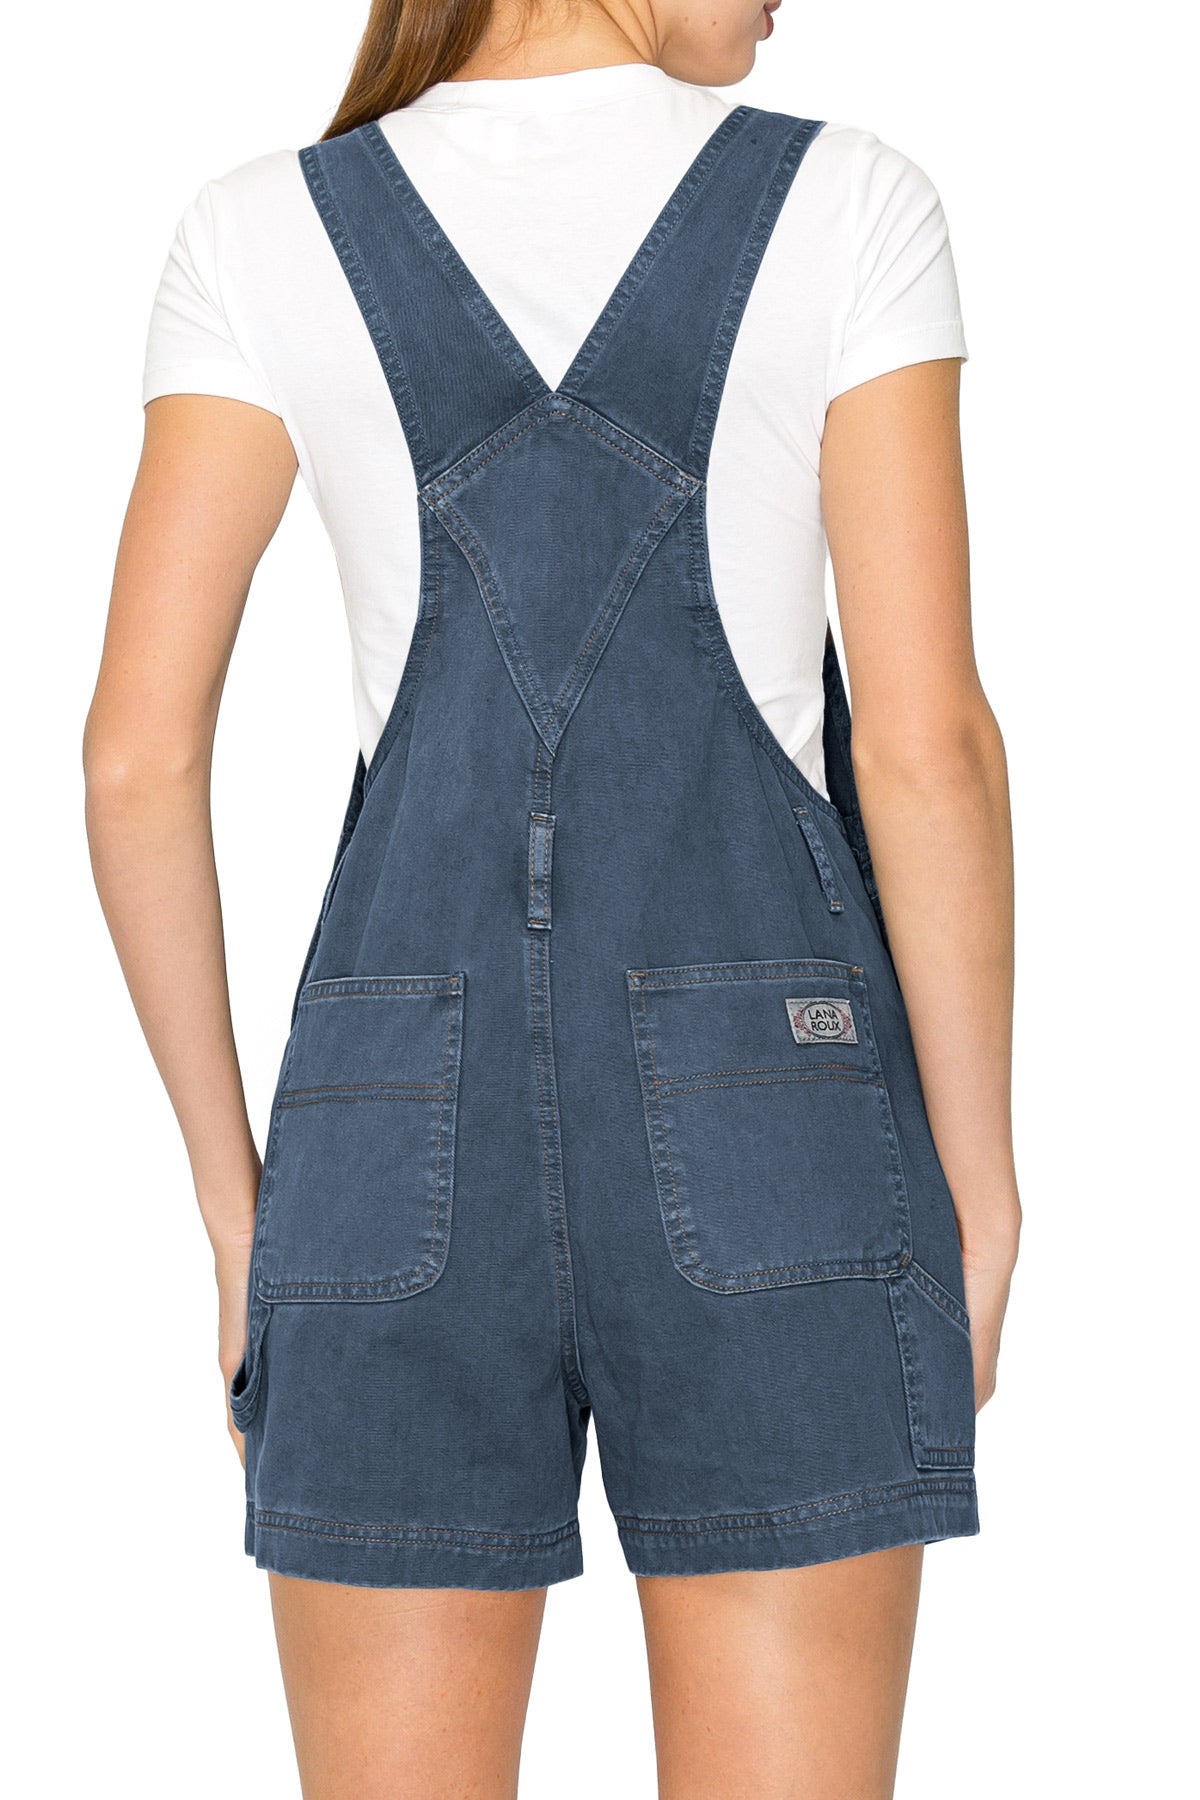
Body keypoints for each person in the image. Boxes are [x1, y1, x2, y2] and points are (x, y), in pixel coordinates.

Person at [83, 0, 1021, 1792]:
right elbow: (931, 752)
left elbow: (133, 757)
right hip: (783, 1122)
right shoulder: (851, 204)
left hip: (385, 1132)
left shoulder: (258, 230)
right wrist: (978, 1188)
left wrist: (232, 1206)